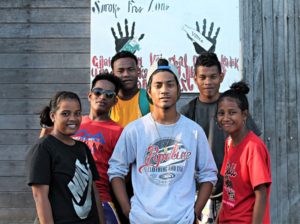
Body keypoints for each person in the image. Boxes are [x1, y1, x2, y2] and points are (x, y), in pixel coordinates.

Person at [108, 58, 218, 224]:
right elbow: (116, 170)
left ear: (179, 90)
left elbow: (208, 174)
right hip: (142, 219)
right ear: (149, 92)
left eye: (170, 84)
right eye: (158, 85)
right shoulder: (135, 130)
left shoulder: (193, 131)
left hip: (183, 220)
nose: (164, 90)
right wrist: (127, 210)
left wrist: (195, 212)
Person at [180, 52, 261, 223]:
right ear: (194, 78)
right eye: (202, 77)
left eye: (213, 77)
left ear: (222, 77)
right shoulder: (188, 111)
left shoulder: (231, 106)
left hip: (232, 193)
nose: (208, 82)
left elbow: (253, 147)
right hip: (197, 193)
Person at [26, 91, 105, 224]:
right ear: (53, 116)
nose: (73, 118)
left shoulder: (83, 148)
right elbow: (40, 197)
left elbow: (94, 191)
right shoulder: (43, 148)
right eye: (65, 113)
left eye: (77, 113)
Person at [215, 81, 272, 223]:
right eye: (221, 113)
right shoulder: (229, 142)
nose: (226, 118)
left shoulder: (253, 147)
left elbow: (261, 194)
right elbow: (228, 191)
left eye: (232, 112)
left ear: (244, 115)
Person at [72, 74, 123, 224]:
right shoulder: (73, 123)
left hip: (101, 199)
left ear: (115, 101)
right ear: (89, 95)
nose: (102, 97)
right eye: (98, 92)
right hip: (68, 197)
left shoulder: (119, 132)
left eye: (109, 95)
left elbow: (122, 174)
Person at [110, 50, 150, 128]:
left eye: (130, 69)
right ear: (113, 74)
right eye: (120, 71)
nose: (126, 74)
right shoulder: (108, 101)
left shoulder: (149, 98)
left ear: (138, 71)